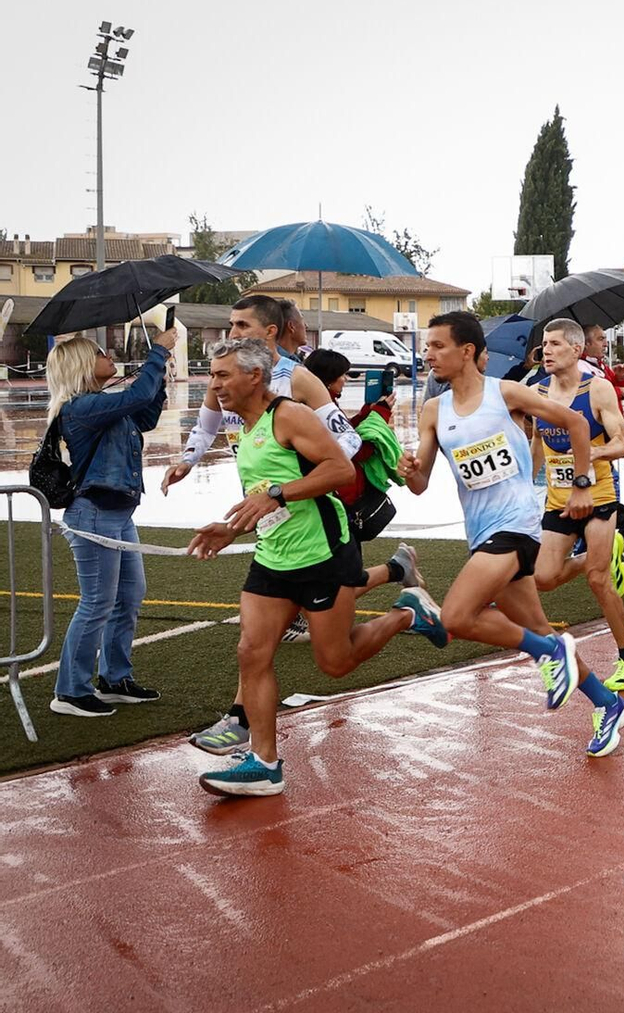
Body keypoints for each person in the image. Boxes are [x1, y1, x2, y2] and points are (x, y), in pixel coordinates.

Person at [187, 338, 432, 796]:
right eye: (212, 374)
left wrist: (277, 494)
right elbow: (262, 493)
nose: (213, 384)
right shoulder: (243, 425)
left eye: (222, 375)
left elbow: (340, 469)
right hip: (272, 557)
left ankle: (408, 614)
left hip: (323, 553)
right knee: (251, 652)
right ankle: (264, 764)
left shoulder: (289, 415)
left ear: (254, 377)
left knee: (334, 662)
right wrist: (230, 528)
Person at [398, 312, 624, 757]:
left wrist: (582, 483)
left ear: (466, 351)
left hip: (518, 523)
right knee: (535, 625)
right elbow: (421, 483)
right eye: (427, 346)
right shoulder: (434, 410)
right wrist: (408, 471)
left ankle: (548, 652)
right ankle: (607, 703)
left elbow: (577, 425)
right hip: (481, 530)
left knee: (455, 617)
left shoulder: (505, 393)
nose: (427, 354)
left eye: (437, 346)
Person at [45, 330, 175, 717]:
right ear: (84, 365)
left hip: (117, 514)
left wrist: (160, 373)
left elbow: (145, 413)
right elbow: (136, 397)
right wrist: (156, 354)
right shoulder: (80, 408)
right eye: (101, 353)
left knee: (128, 597)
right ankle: (70, 690)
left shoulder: (102, 404)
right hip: (95, 514)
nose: (110, 355)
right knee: (97, 602)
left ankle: (115, 679)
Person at [531, 319, 624, 692]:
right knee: (544, 578)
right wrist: (523, 482)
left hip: (597, 495)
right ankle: (599, 554)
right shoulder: (537, 392)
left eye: (555, 344)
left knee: (599, 580)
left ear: (577, 350)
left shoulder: (597, 389)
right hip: (557, 499)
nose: (546, 351)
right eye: (544, 345)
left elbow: (621, 444)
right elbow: (536, 444)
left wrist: (588, 452)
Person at [300, 348, 427, 600]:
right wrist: (377, 414)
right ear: (327, 379)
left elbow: (353, 444)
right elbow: (354, 447)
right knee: (336, 578)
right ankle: (398, 569)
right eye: (342, 375)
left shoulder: (318, 405)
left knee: (340, 582)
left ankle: (400, 581)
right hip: (335, 498)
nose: (345, 380)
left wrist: (371, 412)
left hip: (338, 501)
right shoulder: (315, 407)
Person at [583, 324, 624, 403]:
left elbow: (617, 390)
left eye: (605, 339)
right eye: (600, 339)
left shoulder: (602, 365)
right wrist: (618, 392)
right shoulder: (580, 367)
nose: (605, 344)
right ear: (586, 344)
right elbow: (591, 395)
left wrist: (619, 378)